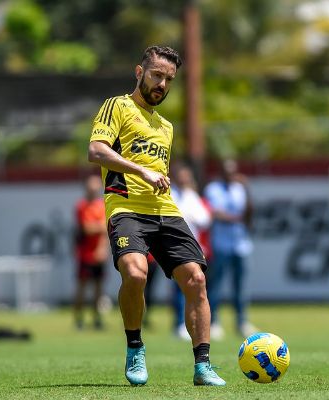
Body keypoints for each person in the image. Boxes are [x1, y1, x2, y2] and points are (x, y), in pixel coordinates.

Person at [88, 45, 225, 386]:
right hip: (125, 207)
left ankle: (203, 366)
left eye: (169, 79)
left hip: (164, 210)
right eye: (156, 75)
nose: (162, 84)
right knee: (135, 274)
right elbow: (96, 150)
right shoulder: (117, 106)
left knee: (196, 279)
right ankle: (135, 348)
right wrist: (142, 171)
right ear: (139, 72)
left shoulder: (166, 126)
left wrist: (156, 178)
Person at [204, 159, 257, 339]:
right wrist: (235, 219)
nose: (230, 175)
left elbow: (249, 210)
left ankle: (241, 321)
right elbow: (214, 212)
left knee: (240, 286)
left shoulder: (240, 188)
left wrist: (248, 188)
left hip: (240, 244)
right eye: (227, 172)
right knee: (216, 285)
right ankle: (214, 322)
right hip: (221, 243)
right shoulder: (213, 189)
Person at [170, 164, 211, 341]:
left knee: (196, 286)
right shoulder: (168, 192)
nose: (184, 179)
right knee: (179, 288)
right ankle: (179, 323)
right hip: (172, 245)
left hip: (191, 246)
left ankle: (196, 325)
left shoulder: (191, 196)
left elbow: (205, 219)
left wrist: (188, 214)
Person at [73, 175, 108, 330]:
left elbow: (105, 230)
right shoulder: (82, 206)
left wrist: (103, 248)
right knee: (82, 287)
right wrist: (100, 226)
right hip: (85, 254)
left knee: (98, 289)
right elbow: (87, 228)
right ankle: (79, 318)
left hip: (99, 254)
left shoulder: (102, 205)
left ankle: (96, 318)